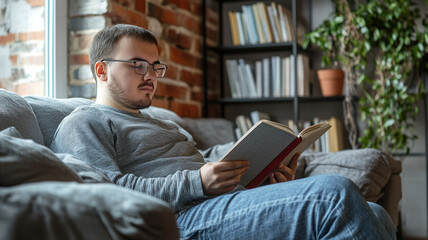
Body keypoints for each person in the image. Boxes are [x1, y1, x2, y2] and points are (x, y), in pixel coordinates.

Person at [51, 24, 396, 239]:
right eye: (137, 65)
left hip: (218, 205)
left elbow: (208, 169)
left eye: (155, 66)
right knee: (333, 195)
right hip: (180, 223)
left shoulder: (163, 123)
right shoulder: (83, 123)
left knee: (374, 211)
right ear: (101, 70)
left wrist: (263, 174)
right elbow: (105, 197)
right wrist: (197, 183)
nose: (151, 76)